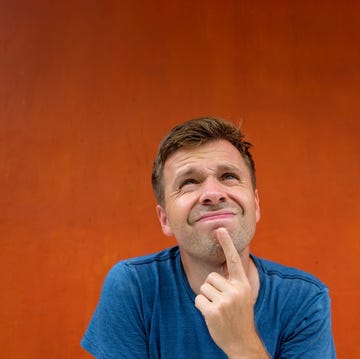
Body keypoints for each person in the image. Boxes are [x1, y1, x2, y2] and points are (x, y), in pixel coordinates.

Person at [81, 117, 336, 358]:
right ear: (165, 219)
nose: (213, 194)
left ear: (256, 205)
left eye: (228, 176)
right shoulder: (132, 287)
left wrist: (243, 344)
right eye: (189, 182)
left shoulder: (305, 299)